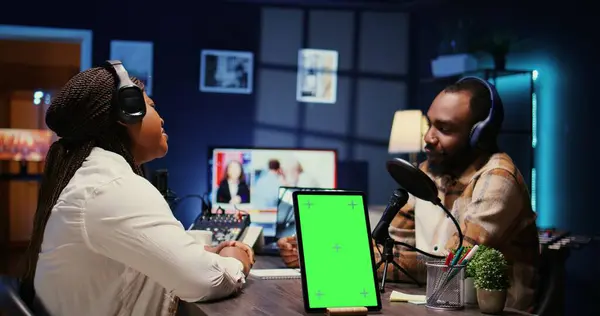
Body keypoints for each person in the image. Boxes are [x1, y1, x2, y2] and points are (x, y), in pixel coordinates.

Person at [278, 77, 539, 313]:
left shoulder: (498, 179)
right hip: (436, 306)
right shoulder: (427, 172)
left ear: (478, 136)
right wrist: (318, 253)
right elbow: (392, 246)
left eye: (444, 129)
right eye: (429, 124)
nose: (427, 138)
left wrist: (342, 260)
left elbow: (449, 267)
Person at [20, 65, 255, 316]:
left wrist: (196, 252)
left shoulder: (95, 176)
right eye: (152, 106)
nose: (162, 118)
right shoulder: (112, 186)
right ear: (128, 111)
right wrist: (236, 259)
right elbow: (203, 280)